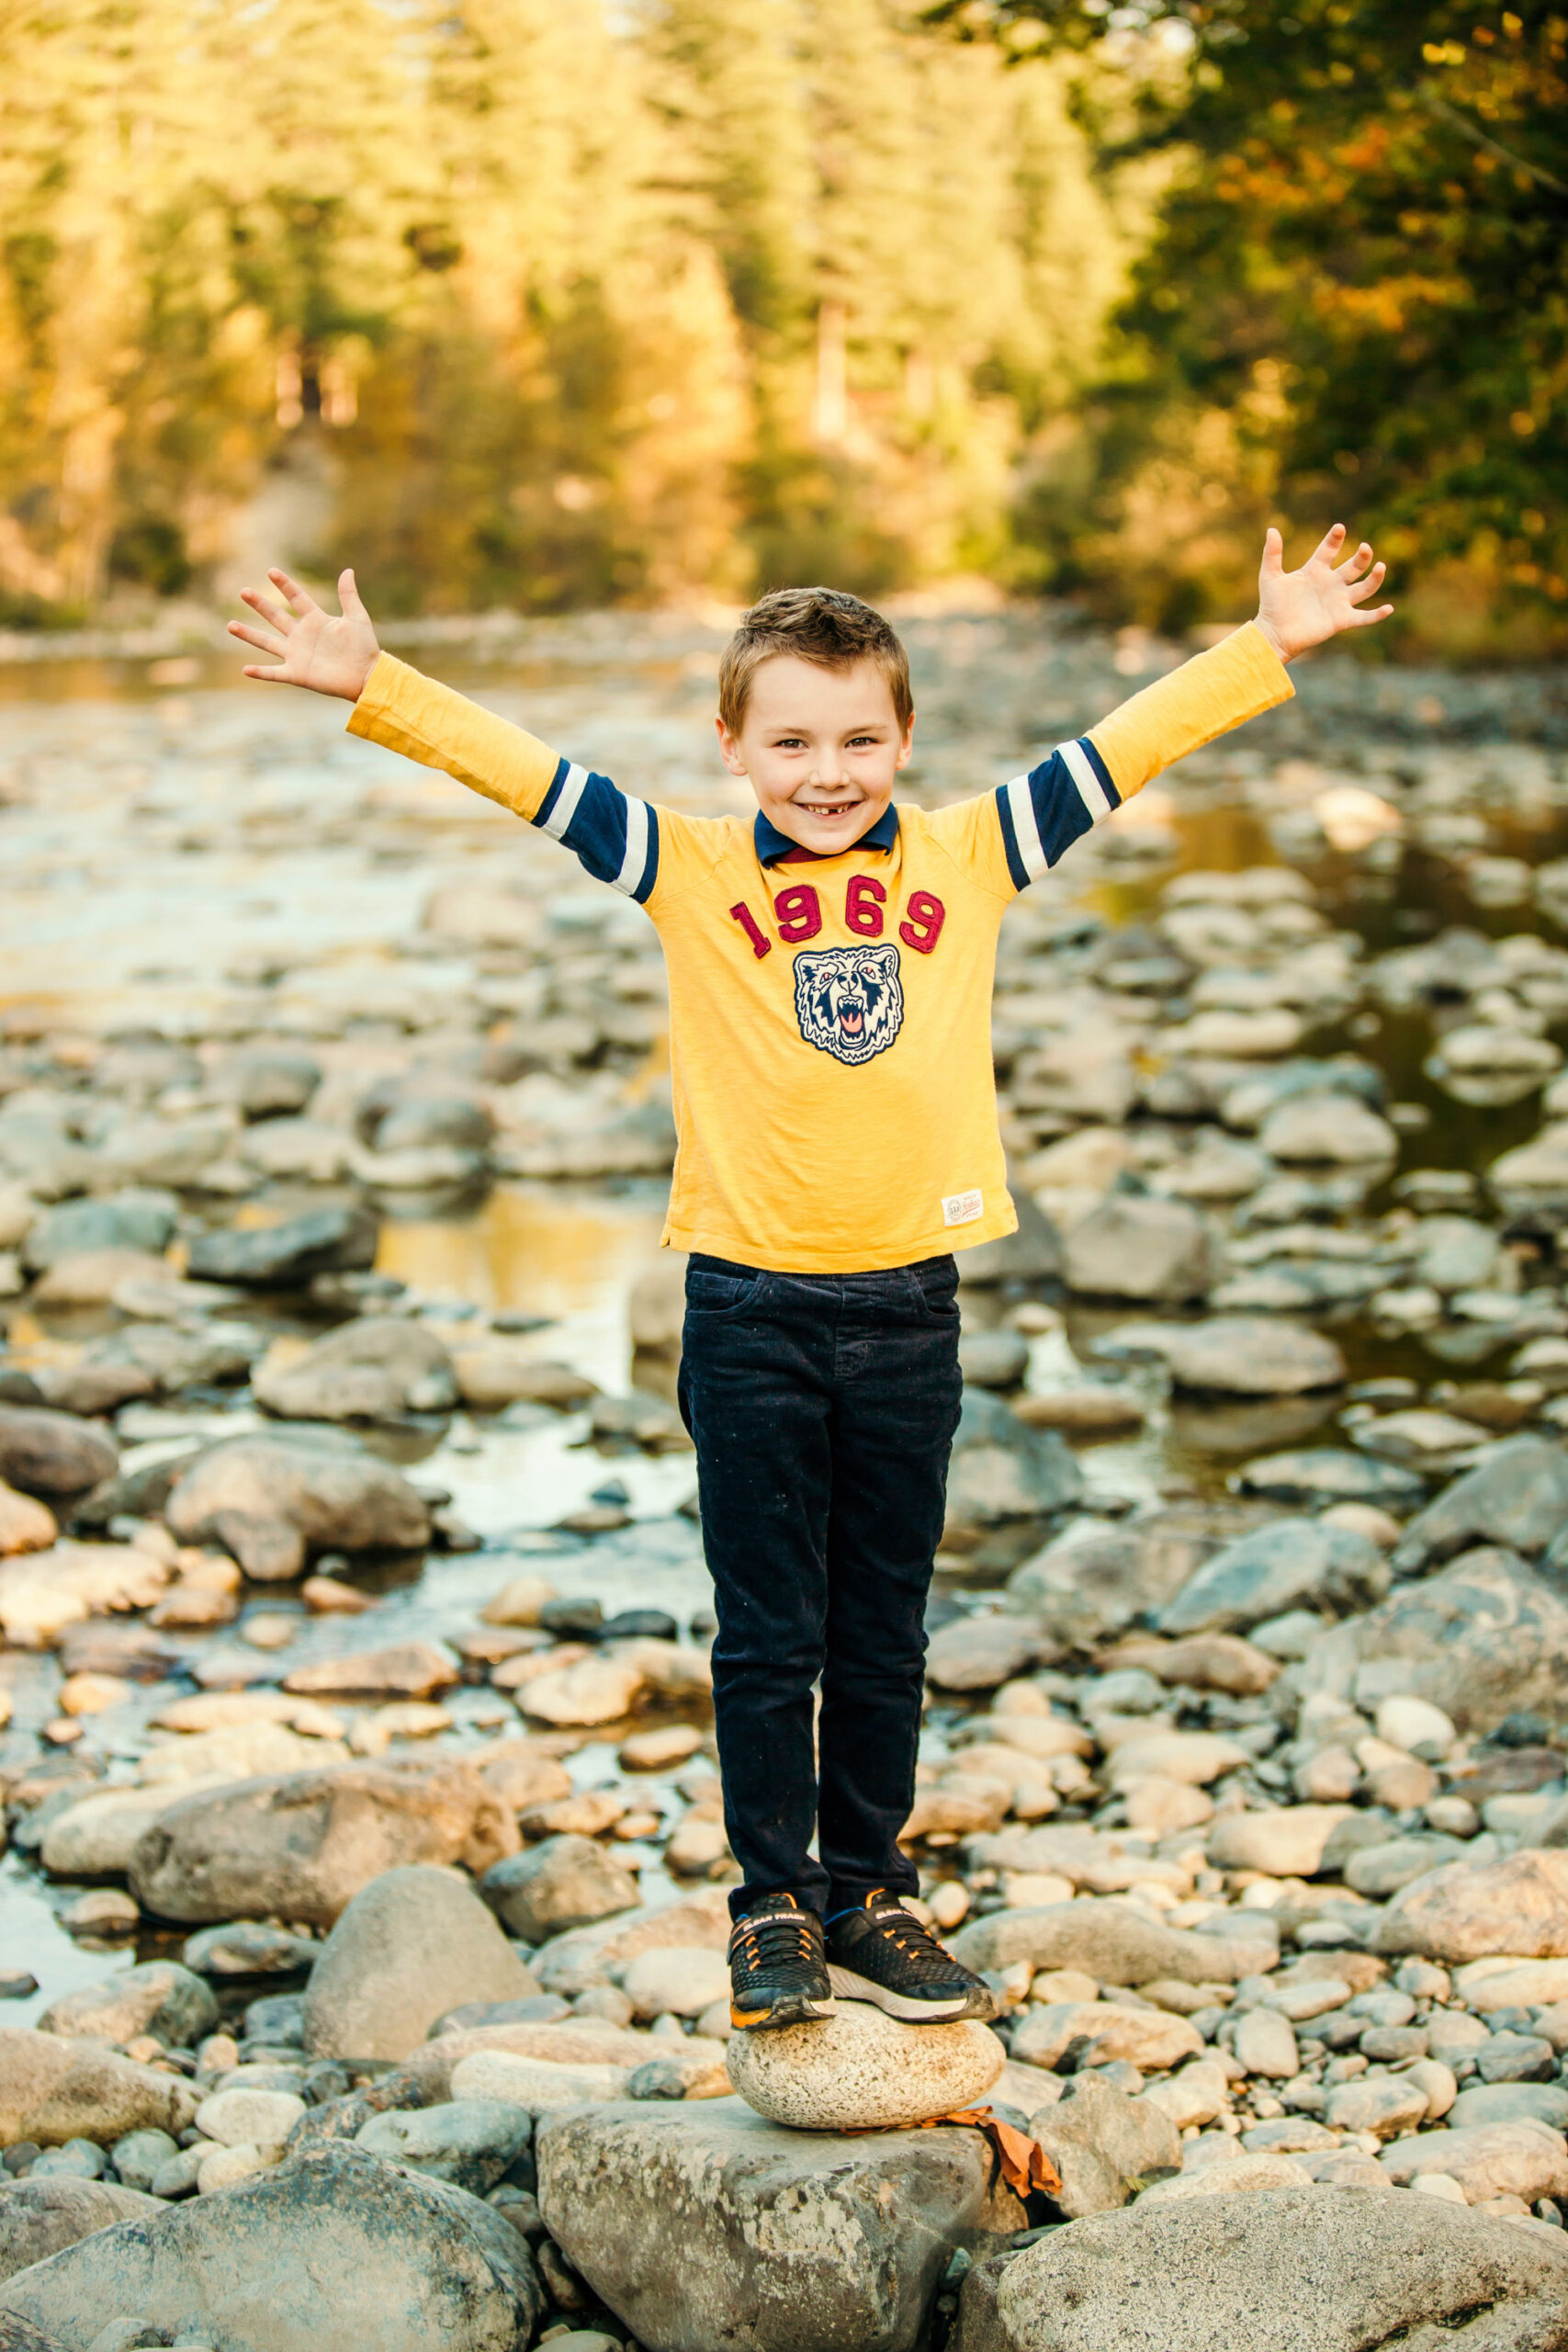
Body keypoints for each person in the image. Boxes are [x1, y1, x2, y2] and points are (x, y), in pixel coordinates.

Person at [229, 524, 1391, 2031]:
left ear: (906, 739)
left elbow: (1122, 748)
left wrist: (1269, 647)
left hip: (910, 1304)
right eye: (791, 740)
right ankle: (770, 1904)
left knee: (886, 1626)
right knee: (767, 1632)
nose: (827, 769)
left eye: (859, 738)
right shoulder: (689, 867)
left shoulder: (970, 854)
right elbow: (529, 777)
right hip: (749, 1308)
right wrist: (376, 683)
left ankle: (871, 1892)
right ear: (732, 746)